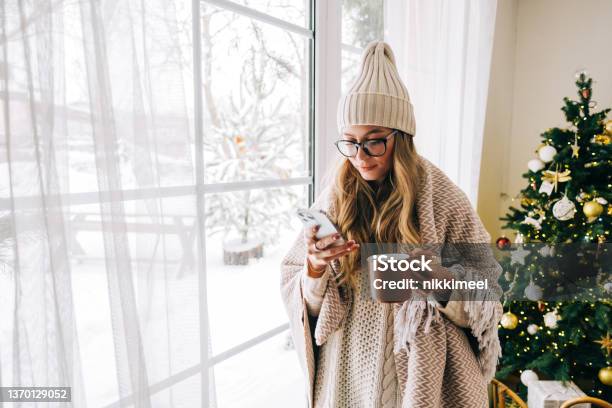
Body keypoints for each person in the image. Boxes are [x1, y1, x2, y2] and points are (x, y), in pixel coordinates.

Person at [280, 41, 503, 408]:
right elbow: (307, 301)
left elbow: (488, 296)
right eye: (350, 143)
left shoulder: (444, 198)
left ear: (401, 139)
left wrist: (434, 278)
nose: (360, 157)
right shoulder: (333, 196)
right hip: (345, 375)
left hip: (420, 378)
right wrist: (315, 268)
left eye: (374, 142)